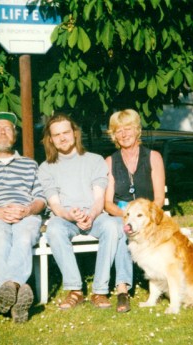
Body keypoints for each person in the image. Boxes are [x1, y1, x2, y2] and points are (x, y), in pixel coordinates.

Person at [38, 112, 130, 312]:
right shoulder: (46, 168)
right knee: (53, 229)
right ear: (51, 140)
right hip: (66, 219)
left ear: (75, 133)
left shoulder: (95, 160)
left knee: (113, 226)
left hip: (94, 215)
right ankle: (75, 290)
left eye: (66, 132)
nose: (62, 137)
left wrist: (91, 214)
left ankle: (100, 290)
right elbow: (55, 205)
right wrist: (72, 216)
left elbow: (99, 199)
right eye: (57, 135)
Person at [0, 112, 46, 323]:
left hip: (27, 215)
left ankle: (9, 291)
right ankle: (17, 295)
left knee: (24, 237)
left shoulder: (30, 164)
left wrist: (27, 210)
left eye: (7, 128)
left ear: (14, 135)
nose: (3, 132)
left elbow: (41, 199)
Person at [104, 108, 166, 312]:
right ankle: (122, 290)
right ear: (114, 134)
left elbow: (159, 198)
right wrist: (127, 218)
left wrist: (143, 218)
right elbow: (107, 203)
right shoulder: (110, 162)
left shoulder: (153, 157)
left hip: (148, 216)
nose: (124, 134)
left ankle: (167, 283)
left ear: (137, 130)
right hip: (121, 216)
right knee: (124, 231)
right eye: (118, 130)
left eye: (128, 128)